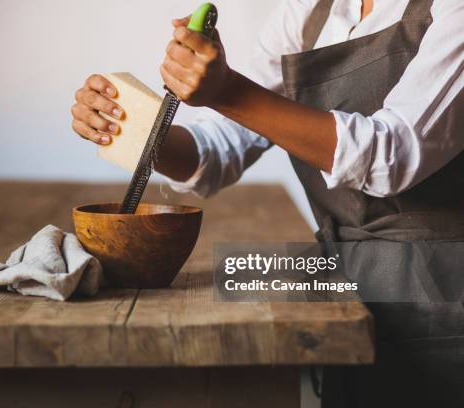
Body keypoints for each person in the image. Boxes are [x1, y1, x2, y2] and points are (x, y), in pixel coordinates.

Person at [71, 0, 464, 406]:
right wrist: (129, 129)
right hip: (347, 281)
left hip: (443, 298)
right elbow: (219, 148)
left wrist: (226, 91)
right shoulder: (311, 12)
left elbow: (389, 157)